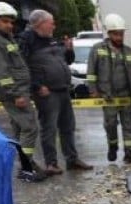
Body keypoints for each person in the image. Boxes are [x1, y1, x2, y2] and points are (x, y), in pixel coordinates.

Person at [0, 2, 46, 177]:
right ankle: (27, 166)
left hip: (19, 90)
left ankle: (26, 165)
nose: (10, 25)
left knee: (19, 129)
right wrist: (15, 93)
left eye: (11, 22)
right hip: (14, 92)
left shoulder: (4, 37)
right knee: (30, 127)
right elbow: (0, 70)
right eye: (5, 21)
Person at [20, 10, 91, 173]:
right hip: (46, 92)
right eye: (51, 22)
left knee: (68, 126)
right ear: (40, 23)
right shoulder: (27, 39)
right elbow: (22, 66)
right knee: (49, 128)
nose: (54, 25)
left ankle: (72, 159)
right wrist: (36, 86)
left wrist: (69, 50)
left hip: (63, 89)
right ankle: (51, 163)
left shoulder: (50, 39)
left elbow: (66, 60)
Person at [87, 13, 131, 162]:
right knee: (111, 124)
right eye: (116, 34)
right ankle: (112, 146)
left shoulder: (129, 52)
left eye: (121, 34)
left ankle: (130, 152)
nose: (119, 37)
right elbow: (91, 73)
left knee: (129, 125)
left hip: (127, 96)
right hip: (109, 97)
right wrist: (93, 90)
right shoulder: (98, 49)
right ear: (109, 33)